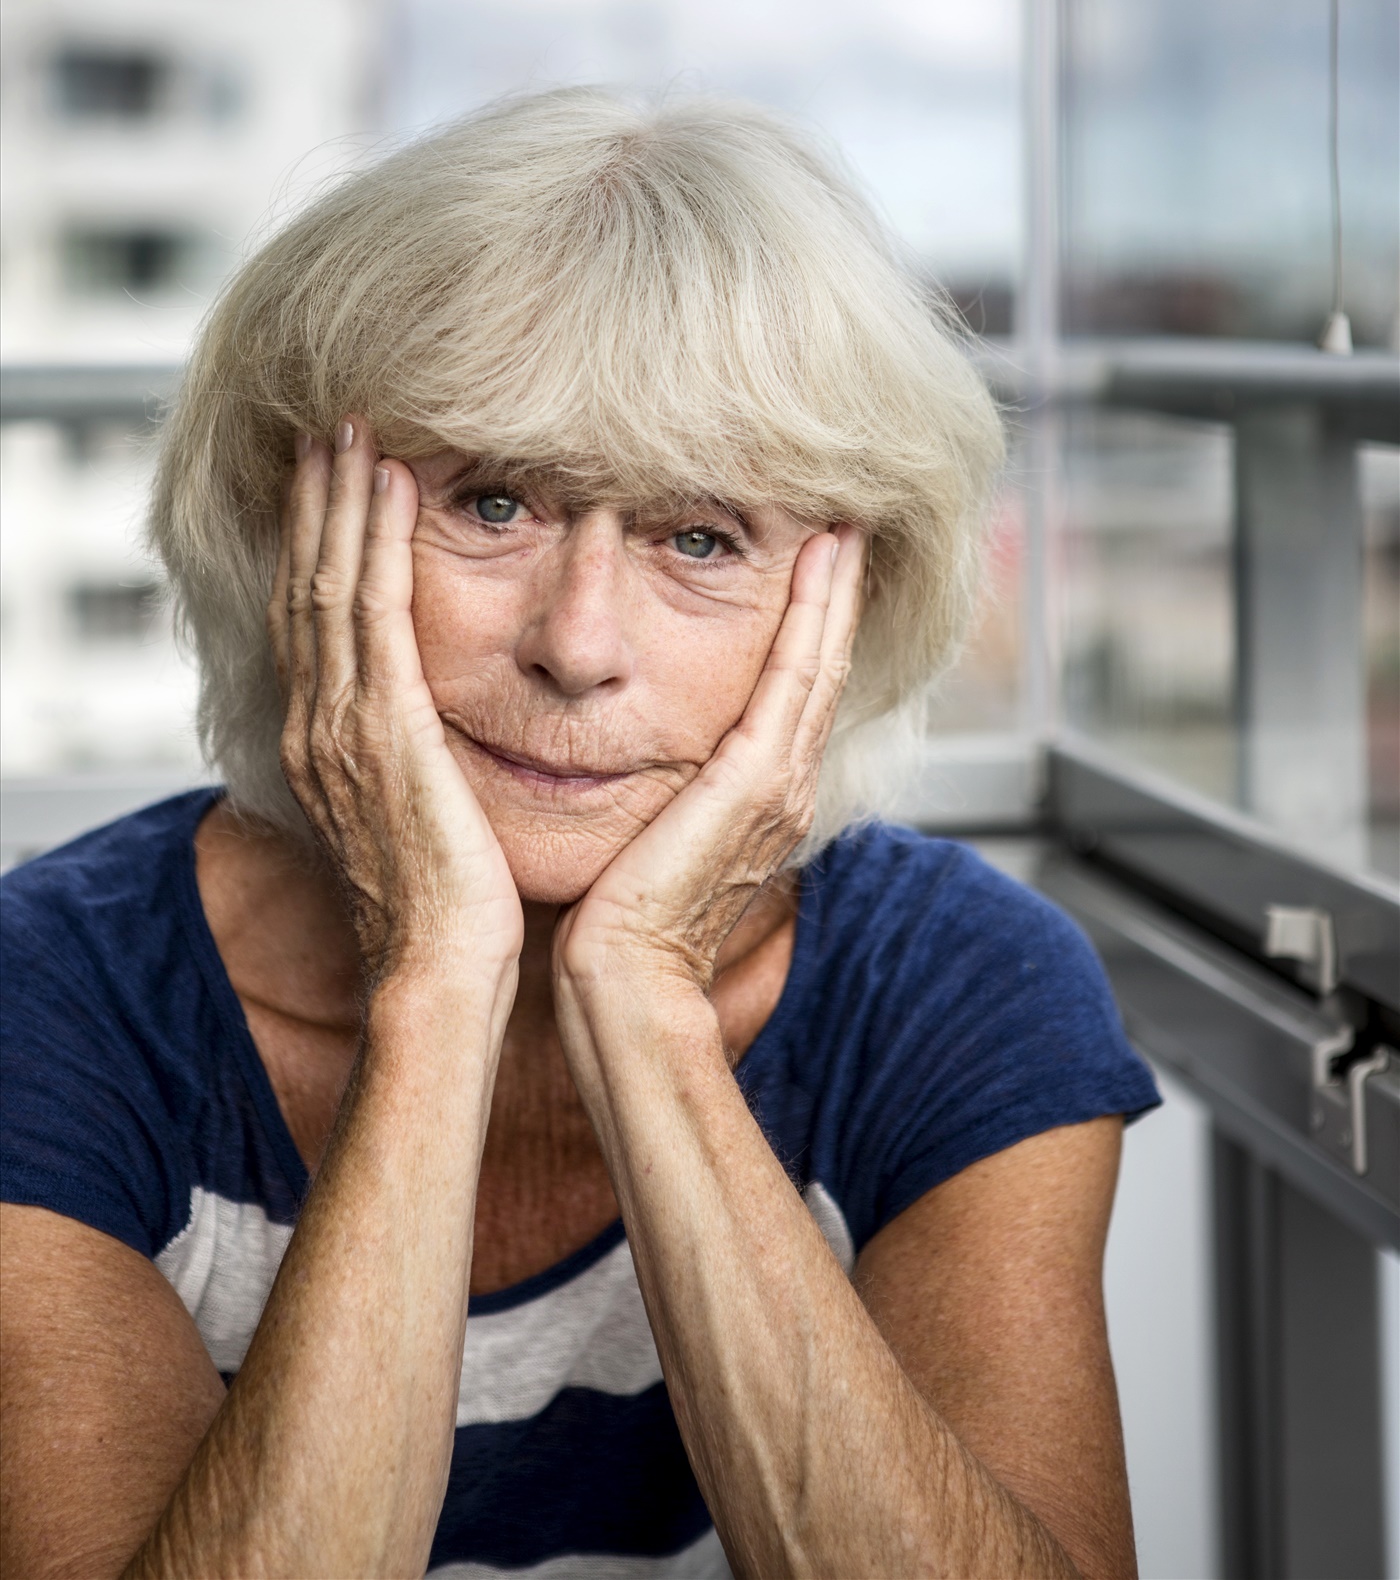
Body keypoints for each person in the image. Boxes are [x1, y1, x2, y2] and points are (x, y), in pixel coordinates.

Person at [1, 89, 1158, 1580]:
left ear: (849, 607)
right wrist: (438, 981)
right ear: (287, 533)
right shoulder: (50, 994)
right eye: (493, 503)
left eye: (701, 538)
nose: (579, 643)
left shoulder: (961, 983)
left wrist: (645, 1006)